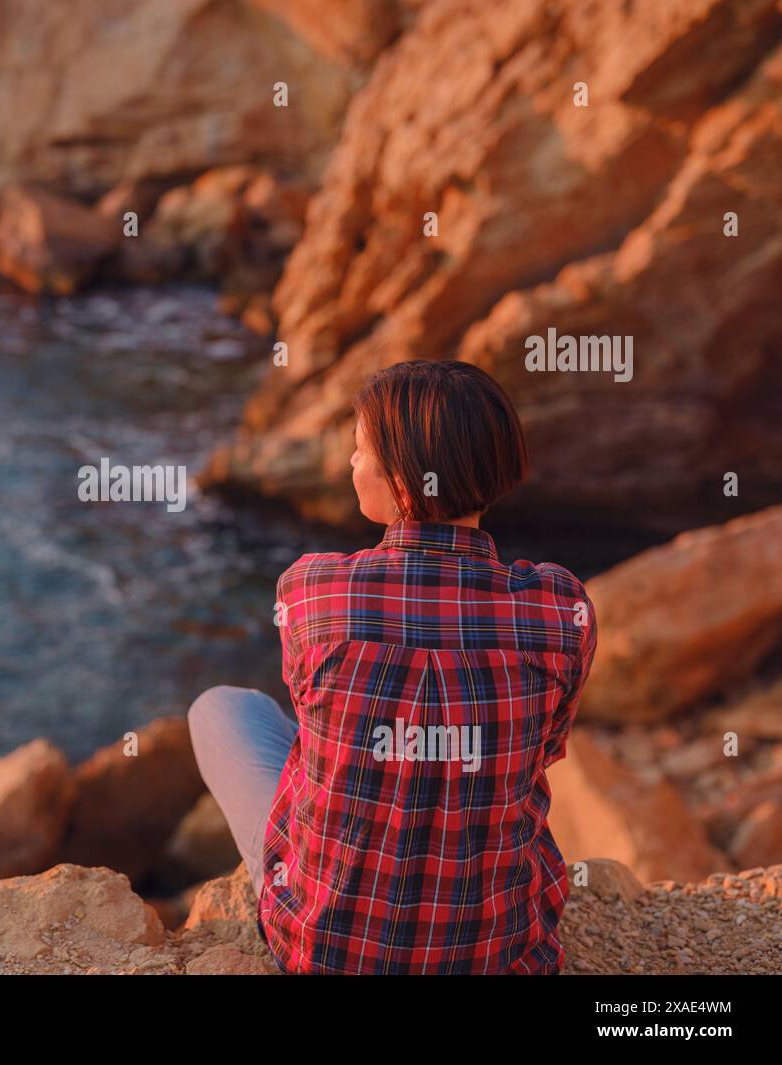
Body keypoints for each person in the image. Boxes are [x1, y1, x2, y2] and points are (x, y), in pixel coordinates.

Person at [188, 359, 597, 975]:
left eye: (360, 450)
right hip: (497, 959)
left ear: (405, 481)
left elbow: (315, 720)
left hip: (324, 955)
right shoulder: (560, 609)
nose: (350, 464)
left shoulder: (310, 590)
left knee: (222, 707)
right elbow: (546, 750)